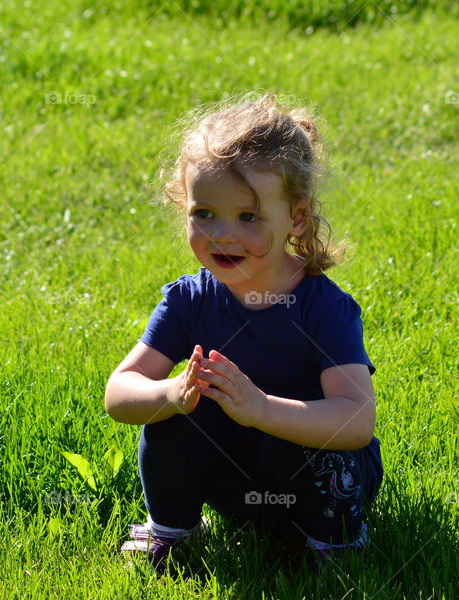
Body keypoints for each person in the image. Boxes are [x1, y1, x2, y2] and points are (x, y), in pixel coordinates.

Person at [104, 92, 384, 573]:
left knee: (325, 448)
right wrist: (171, 393)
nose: (222, 234)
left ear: (296, 217)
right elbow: (119, 392)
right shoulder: (189, 300)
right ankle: (170, 533)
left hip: (314, 482)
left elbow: (355, 422)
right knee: (170, 416)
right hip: (231, 479)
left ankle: (335, 546)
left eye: (248, 217)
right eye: (204, 213)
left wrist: (261, 409)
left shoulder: (324, 308)